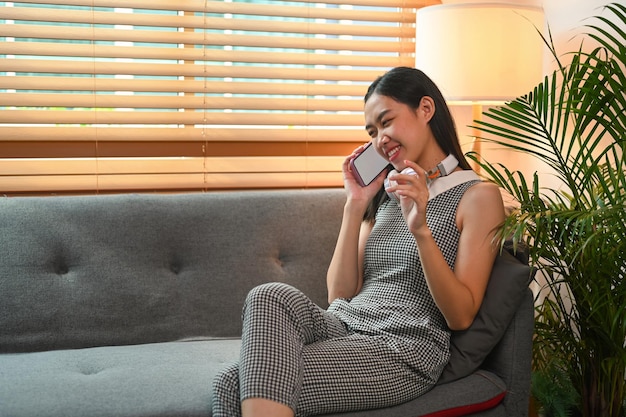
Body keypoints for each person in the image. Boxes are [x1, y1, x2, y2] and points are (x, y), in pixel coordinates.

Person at [211, 66, 505, 417]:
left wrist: (420, 229)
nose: (380, 138)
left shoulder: (478, 196)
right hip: (345, 324)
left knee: (232, 385)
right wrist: (355, 204)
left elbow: (461, 316)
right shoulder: (388, 193)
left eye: (387, 121)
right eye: (372, 131)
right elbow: (339, 296)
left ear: (426, 109)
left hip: (403, 346)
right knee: (269, 294)